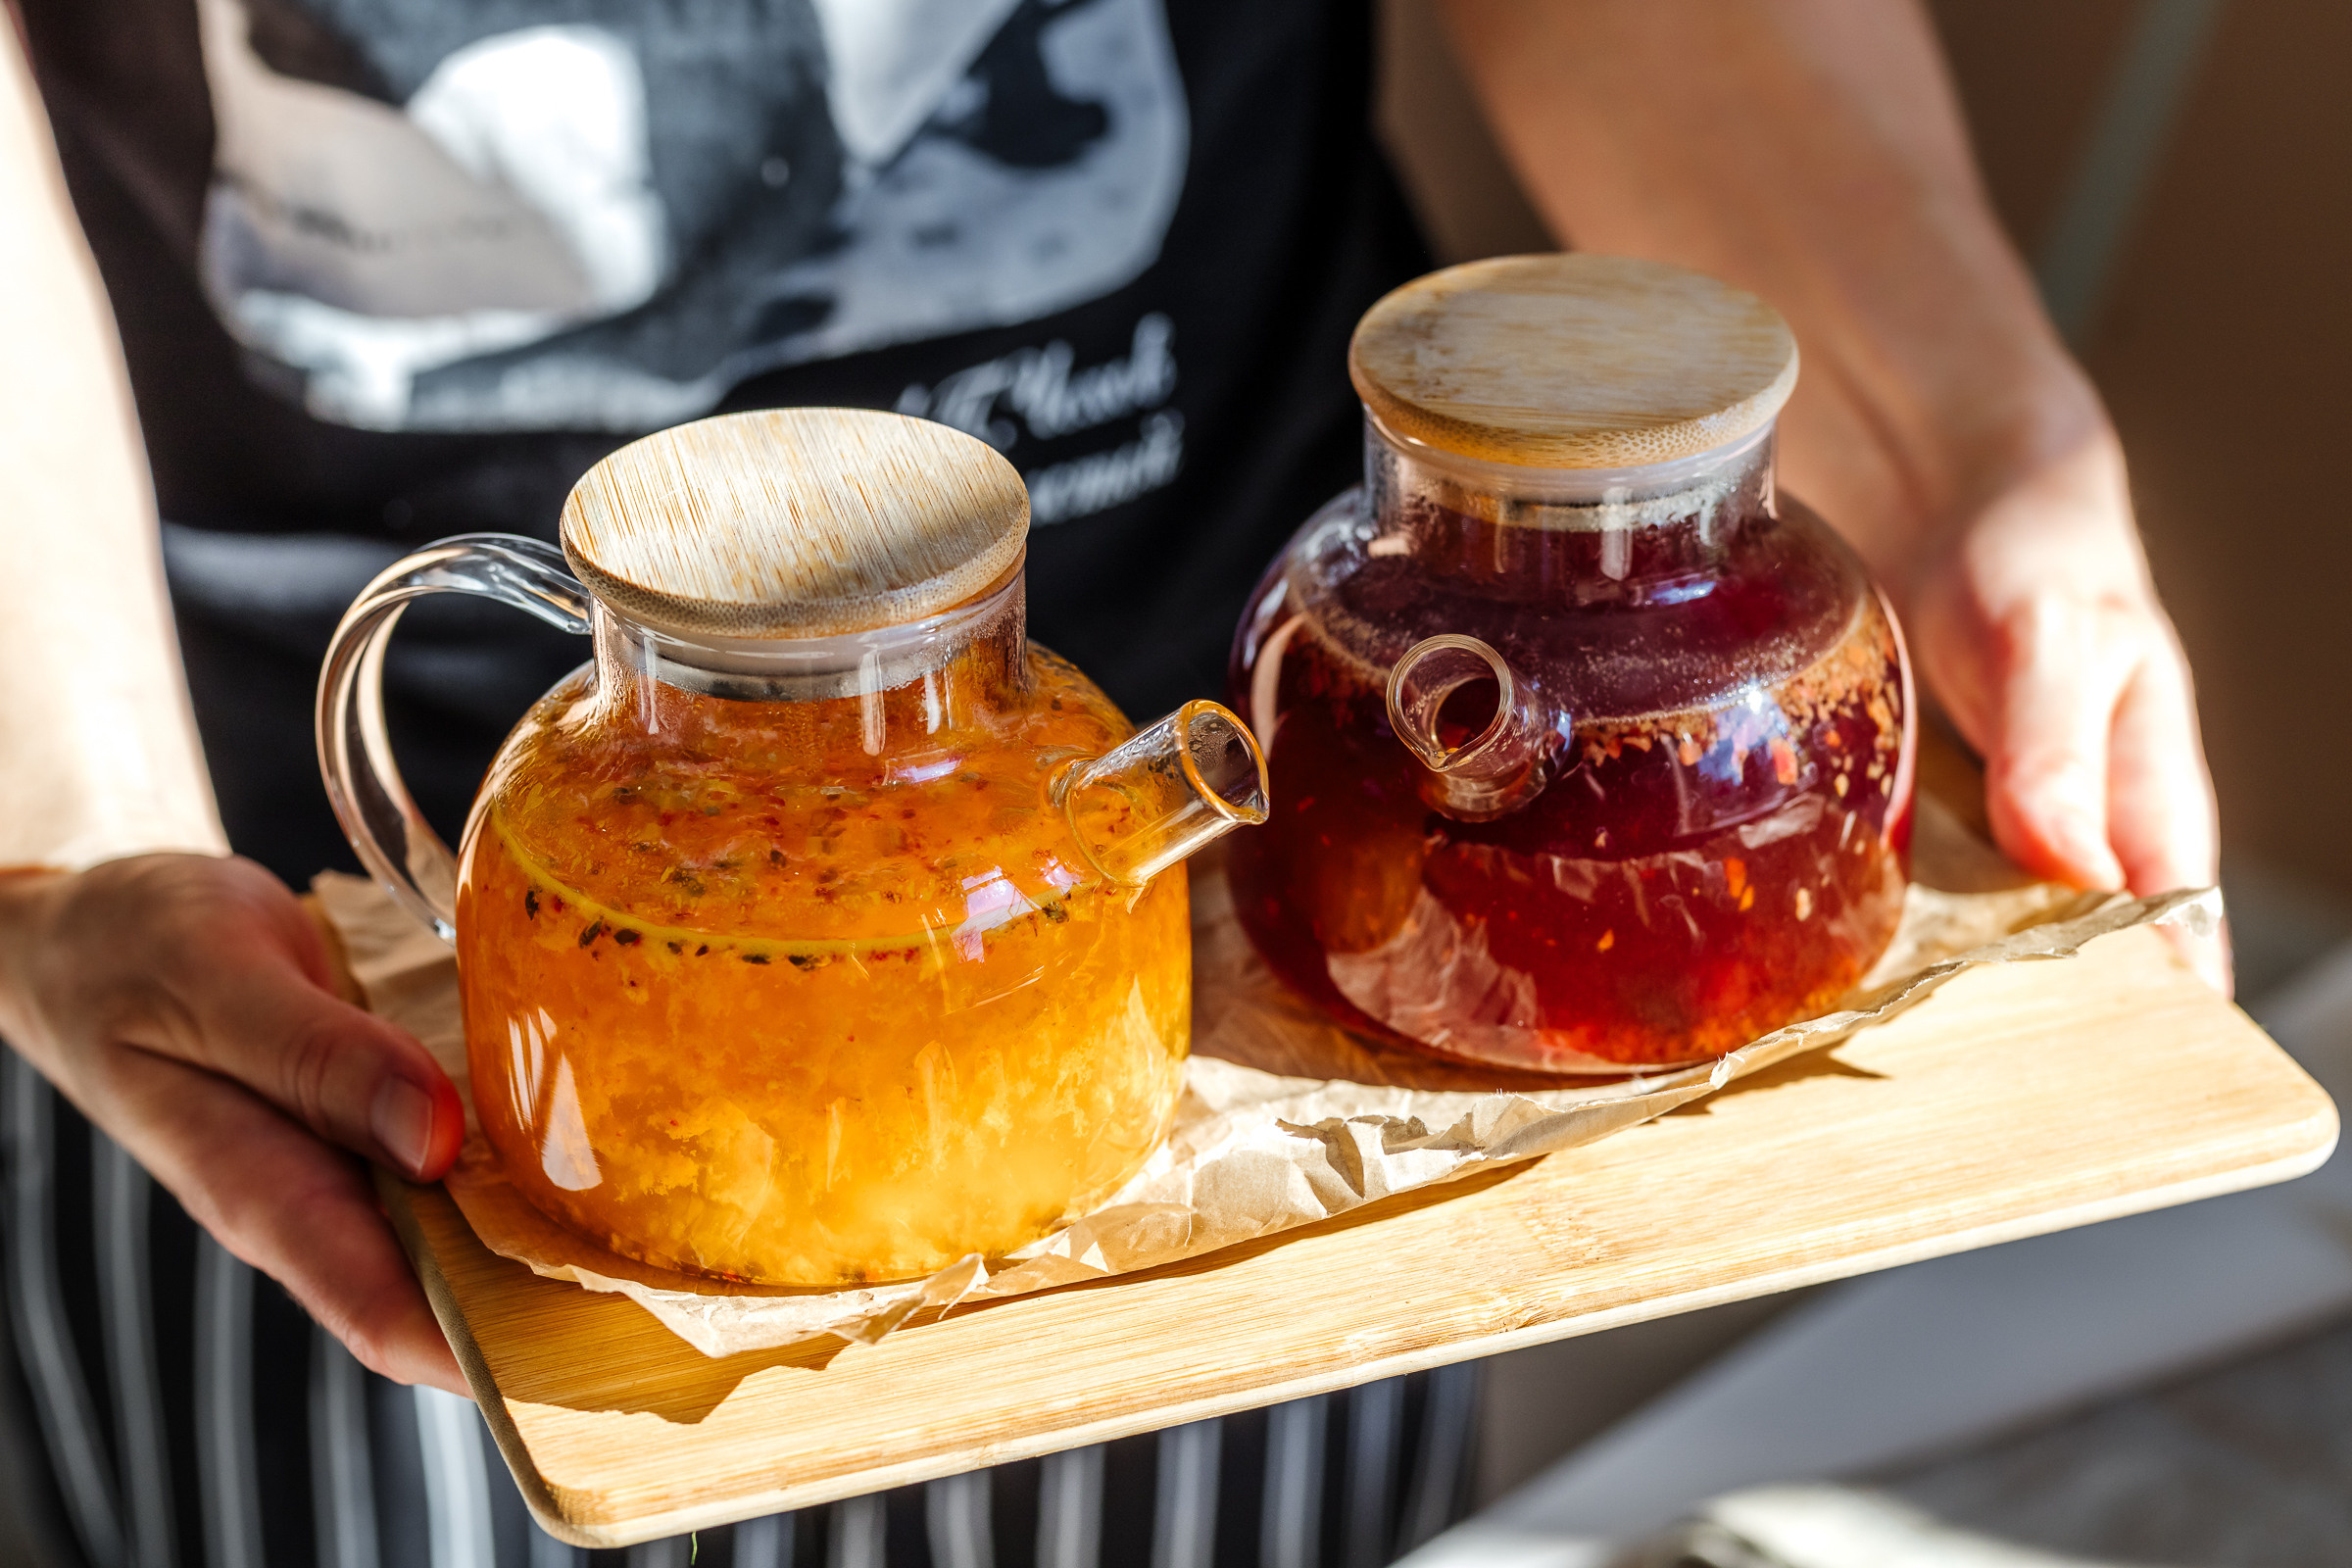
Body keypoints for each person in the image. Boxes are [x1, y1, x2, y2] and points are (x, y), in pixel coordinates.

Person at [0, 2, 2223, 1564]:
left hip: (1230, 982)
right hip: (262, 935)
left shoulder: (1156, 761)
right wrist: (71, 838)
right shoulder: (506, 834)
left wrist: (1957, 442)